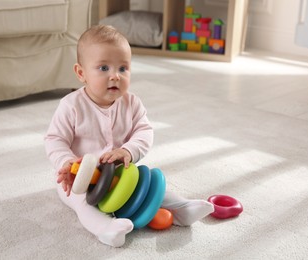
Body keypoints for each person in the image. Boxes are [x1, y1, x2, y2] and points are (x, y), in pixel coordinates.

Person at [44, 25, 214, 247]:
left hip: (120, 173)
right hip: (78, 180)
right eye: (104, 67)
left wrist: (128, 151)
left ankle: (182, 208)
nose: (115, 76)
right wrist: (66, 163)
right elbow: (55, 139)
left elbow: (144, 131)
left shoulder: (132, 103)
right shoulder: (71, 105)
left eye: (123, 68)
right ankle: (105, 229)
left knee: (150, 186)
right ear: (81, 73)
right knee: (83, 204)